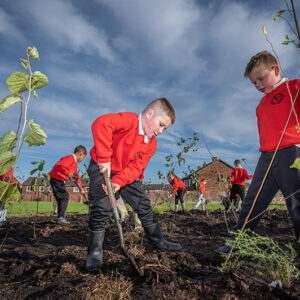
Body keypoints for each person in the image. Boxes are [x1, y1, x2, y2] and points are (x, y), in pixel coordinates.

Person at [86, 97, 182, 272]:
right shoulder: (129, 121)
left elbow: (136, 168)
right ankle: (94, 253)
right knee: (102, 208)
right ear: (149, 114)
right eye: (160, 125)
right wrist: (105, 158)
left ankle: (158, 241)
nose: (161, 131)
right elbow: (101, 123)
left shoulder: (151, 145)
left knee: (143, 204)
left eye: (164, 129)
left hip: (124, 174)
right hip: (101, 167)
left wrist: (118, 181)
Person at [218, 51, 300, 254]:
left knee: (296, 203)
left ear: (276, 69)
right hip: (266, 157)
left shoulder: (295, 87)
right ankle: (237, 243)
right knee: (252, 201)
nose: (258, 85)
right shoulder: (261, 105)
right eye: (254, 83)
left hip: (291, 152)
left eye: (261, 78)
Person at [49, 145, 87, 224]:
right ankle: (61, 218)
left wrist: (81, 189)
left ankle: (60, 217)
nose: (82, 160)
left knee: (61, 198)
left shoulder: (74, 164)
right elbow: (58, 165)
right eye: (83, 157)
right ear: (80, 154)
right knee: (65, 196)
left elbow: (76, 177)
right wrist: (68, 173)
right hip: (56, 179)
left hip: (58, 180)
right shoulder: (70, 158)